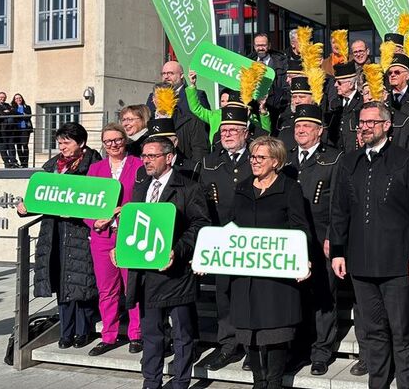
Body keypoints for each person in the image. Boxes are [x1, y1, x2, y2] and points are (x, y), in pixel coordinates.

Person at [329, 102, 409, 389]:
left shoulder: (405, 160)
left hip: (397, 263)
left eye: (372, 122)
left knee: (402, 331)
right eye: (362, 122)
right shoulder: (349, 161)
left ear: (386, 125)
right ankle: (378, 383)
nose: (366, 126)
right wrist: (337, 251)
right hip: (360, 262)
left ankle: (408, 384)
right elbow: (339, 210)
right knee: (372, 331)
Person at [225, 136, 312, 389]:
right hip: (246, 273)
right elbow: (230, 225)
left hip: (276, 276)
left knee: (275, 331)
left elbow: (300, 228)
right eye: (252, 156)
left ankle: (273, 382)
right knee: (248, 331)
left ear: (276, 161)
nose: (254, 161)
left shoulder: (290, 188)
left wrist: (301, 259)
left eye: (260, 158)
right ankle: (258, 381)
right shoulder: (242, 188)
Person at [126, 136, 210, 389]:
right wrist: (122, 248)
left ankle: (181, 382)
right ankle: (150, 382)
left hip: (176, 274)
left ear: (169, 157)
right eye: (144, 156)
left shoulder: (188, 187)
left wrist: (177, 250)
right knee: (151, 333)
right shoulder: (142, 186)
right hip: (145, 274)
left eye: (152, 156)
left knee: (182, 334)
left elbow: (201, 223)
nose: (146, 161)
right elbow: (134, 222)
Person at [16, 122, 102, 349]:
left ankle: (83, 330)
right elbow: (42, 198)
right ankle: (66, 331)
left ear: (81, 143)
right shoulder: (54, 167)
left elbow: (99, 199)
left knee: (82, 284)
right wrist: (25, 207)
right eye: (59, 142)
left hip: (81, 231)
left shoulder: (95, 165)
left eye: (67, 142)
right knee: (62, 283)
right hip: (55, 233)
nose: (62, 147)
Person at [283, 104, 343, 375]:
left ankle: (321, 351)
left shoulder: (334, 158)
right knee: (297, 295)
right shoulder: (285, 159)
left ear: (319, 131)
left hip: (322, 238)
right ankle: (299, 349)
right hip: (294, 239)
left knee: (322, 295)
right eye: (297, 126)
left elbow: (339, 205)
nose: (301, 130)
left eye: (307, 126)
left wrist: (333, 237)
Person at [198, 105, 253, 371]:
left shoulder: (257, 156)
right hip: (220, 238)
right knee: (225, 294)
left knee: (253, 293)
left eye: (233, 130)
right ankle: (229, 344)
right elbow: (201, 202)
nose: (228, 134)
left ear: (246, 132)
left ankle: (253, 346)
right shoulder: (209, 161)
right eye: (224, 130)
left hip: (251, 237)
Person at [84, 123, 145, 356]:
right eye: (108, 141)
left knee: (132, 286)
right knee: (107, 289)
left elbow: (147, 199)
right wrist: (93, 222)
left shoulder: (139, 165)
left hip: (129, 234)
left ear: (125, 140)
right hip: (103, 236)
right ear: (103, 143)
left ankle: (136, 334)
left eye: (117, 139)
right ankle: (108, 335)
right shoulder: (96, 169)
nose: (113, 144)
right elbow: (85, 205)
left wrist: (126, 210)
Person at [327, 63, 363, 152]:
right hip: (336, 151)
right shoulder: (335, 103)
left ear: (350, 84)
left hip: (354, 151)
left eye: (339, 82)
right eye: (335, 81)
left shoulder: (361, 103)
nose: (335, 85)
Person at [385, 54, 409, 119]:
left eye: (397, 72)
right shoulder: (384, 97)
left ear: (407, 76)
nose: (392, 75)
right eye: (390, 73)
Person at [0, 91, 20, 168]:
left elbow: (15, 112)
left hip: (10, 129)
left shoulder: (7, 105)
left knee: (11, 145)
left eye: (4, 98)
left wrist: (7, 112)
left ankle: (14, 162)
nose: (2, 99)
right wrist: (7, 112)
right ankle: (7, 163)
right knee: (3, 146)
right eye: (1, 97)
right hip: (1, 129)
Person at [11, 93, 33, 168]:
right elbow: (14, 116)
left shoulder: (27, 107)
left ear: (22, 98)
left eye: (19, 98)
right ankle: (21, 162)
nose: (18, 99)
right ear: (14, 100)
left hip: (25, 128)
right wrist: (23, 114)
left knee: (25, 145)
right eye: (16, 98)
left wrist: (22, 116)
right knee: (19, 145)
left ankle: (25, 162)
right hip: (17, 129)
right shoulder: (13, 107)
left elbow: (28, 116)